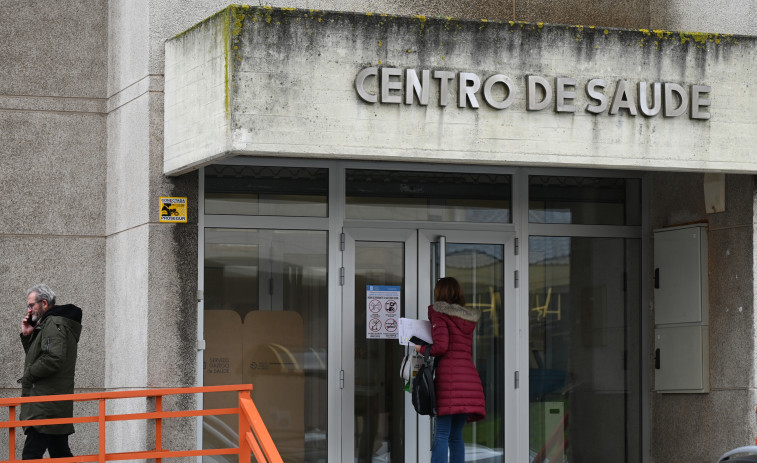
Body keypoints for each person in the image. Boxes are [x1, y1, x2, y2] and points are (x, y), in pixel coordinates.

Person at [415, 277, 485, 463]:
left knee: (442, 434)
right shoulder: (466, 319)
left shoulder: (439, 313)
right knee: (455, 436)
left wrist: (420, 349)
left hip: (451, 380)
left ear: (439, 293)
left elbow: (441, 347)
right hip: (469, 379)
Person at [18, 284, 83, 460]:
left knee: (31, 455)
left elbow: (54, 358)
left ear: (44, 303)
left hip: (45, 406)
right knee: (60, 453)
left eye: (31, 305)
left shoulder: (53, 323)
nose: (29, 310)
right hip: (52, 404)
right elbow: (40, 356)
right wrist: (27, 335)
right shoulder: (51, 324)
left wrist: (29, 374)